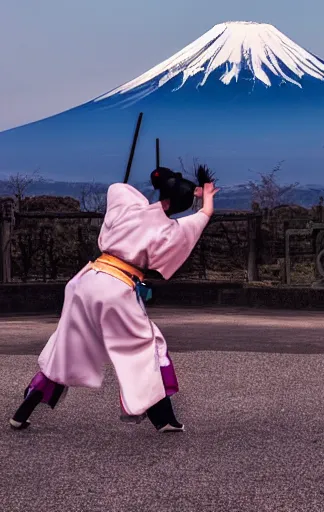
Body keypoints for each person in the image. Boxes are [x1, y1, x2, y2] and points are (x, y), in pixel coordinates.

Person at [9, 166, 219, 433]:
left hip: (85, 281)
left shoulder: (130, 208)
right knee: (146, 348)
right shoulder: (171, 229)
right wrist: (206, 195)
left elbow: (117, 188)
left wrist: (163, 178)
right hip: (116, 287)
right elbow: (204, 215)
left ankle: (22, 412)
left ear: (161, 194)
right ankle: (164, 418)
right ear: (179, 206)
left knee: (66, 349)